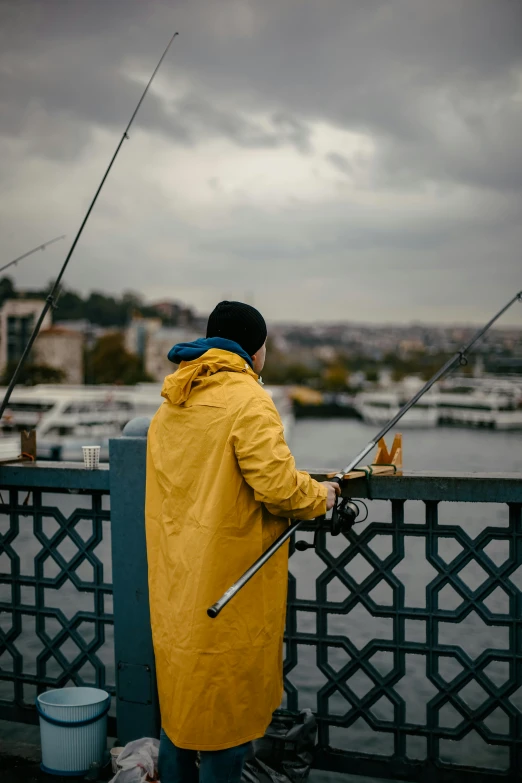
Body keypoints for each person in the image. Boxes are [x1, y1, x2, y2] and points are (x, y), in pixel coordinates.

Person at [145, 301, 340, 783]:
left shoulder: (175, 398)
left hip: (176, 579)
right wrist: (325, 495)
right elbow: (278, 486)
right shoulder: (248, 399)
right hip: (226, 581)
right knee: (224, 725)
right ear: (254, 350)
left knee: (182, 712)